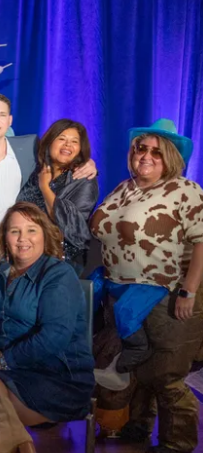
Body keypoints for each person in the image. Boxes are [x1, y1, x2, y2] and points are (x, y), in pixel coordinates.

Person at [89, 119, 203, 453]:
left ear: (170, 157)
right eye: (141, 148)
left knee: (166, 375)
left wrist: (189, 291)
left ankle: (178, 443)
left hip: (167, 293)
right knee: (138, 367)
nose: (147, 155)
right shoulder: (124, 188)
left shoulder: (186, 191)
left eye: (157, 151)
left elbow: (202, 243)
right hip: (120, 291)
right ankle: (138, 426)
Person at [0, 202, 95, 452]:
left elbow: (55, 337)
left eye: (31, 230)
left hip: (56, 377)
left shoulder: (59, 275)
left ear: (44, 235)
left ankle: (11, 435)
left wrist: (4, 359)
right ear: (4, 237)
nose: (22, 239)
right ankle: (14, 435)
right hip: (9, 372)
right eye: (14, 231)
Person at [0, 93, 96, 280]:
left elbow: (65, 154)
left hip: (9, 250)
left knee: (5, 304)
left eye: (2, 115)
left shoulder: (27, 147)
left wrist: (89, 163)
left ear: (10, 121)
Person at [17, 119, 98, 273]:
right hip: (27, 257)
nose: (68, 145)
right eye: (61, 139)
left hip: (62, 263)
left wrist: (45, 188)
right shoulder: (38, 172)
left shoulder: (84, 180)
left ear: (80, 149)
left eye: (74, 141)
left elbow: (71, 226)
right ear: (49, 142)